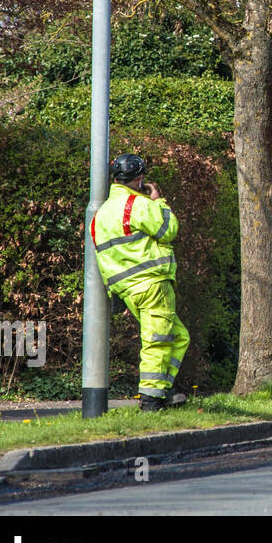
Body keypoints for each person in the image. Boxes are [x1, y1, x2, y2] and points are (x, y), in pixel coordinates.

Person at [90, 154, 189, 411]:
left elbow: (105, 259)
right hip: (153, 284)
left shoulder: (99, 216)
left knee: (178, 337)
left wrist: (115, 294)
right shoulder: (138, 204)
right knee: (157, 341)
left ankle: (166, 390)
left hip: (128, 290)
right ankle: (151, 402)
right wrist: (158, 200)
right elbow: (169, 229)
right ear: (140, 178)